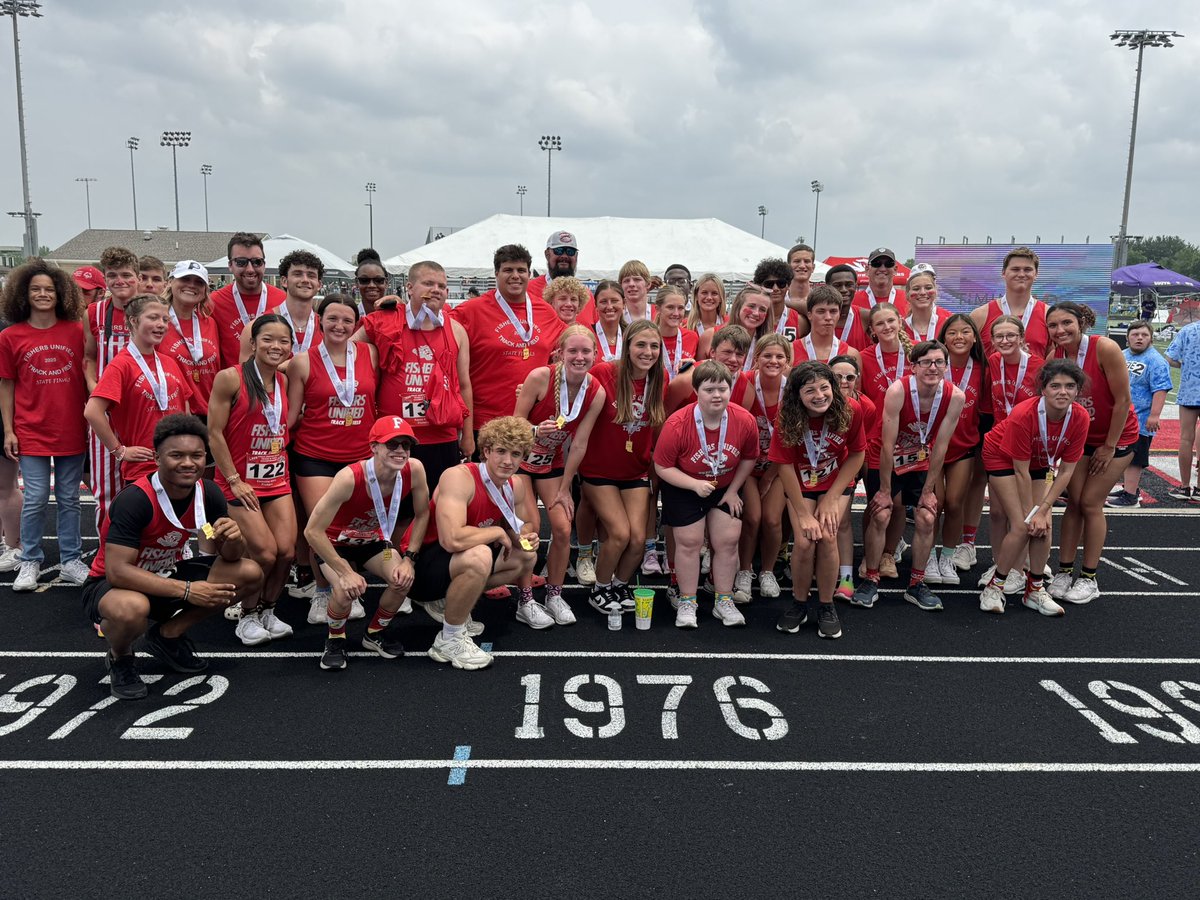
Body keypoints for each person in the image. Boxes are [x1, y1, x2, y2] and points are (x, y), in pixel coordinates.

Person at [82, 414, 262, 700]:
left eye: (196, 455)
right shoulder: (136, 500)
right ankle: (121, 657)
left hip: (164, 574)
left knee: (249, 573)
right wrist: (188, 590)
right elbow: (118, 572)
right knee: (131, 608)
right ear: (157, 458)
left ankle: (167, 635)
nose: (188, 463)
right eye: (176, 455)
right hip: (114, 585)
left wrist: (234, 539)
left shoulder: (209, 493)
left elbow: (229, 556)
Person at [408, 416, 541, 670]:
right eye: (501, 451)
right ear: (486, 451)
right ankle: (449, 639)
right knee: (480, 554)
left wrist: (526, 537)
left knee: (526, 557)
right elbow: (451, 539)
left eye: (516, 454)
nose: (508, 461)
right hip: (419, 567)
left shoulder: (516, 485)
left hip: (453, 563)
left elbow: (521, 526)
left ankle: (452, 603)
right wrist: (496, 532)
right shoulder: (459, 477)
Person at [303, 416, 430, 670]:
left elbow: (424, 512)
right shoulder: (349, 478)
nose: (400, 451)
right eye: (392, 444)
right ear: (374, 447)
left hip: (373, 542)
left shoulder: (414, 469)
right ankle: (335, 639)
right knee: (344, 589)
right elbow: (312, 532)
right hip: (335, 543)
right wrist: (344, 571)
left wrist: (409, 559)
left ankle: (373, 634)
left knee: (402, 580)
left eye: (405, 445)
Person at [851, 340, 966, 611]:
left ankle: (916, 584)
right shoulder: (898, 390)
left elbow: (942, 445)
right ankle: (871, 578)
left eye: (939, 362)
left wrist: (929, 490)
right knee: (881, 512)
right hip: (887, 456)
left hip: (921, 459)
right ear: (913, 366)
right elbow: (888, 443)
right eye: (926, 362)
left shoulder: (956, 396)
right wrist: (884, 490)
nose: (932, 368)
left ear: (946, 366)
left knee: (927, 515)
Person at [287, 295, 379, 623]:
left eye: (346, 320)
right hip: (315, 455)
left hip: (360, 456)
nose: (339, 326)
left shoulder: (369, 354)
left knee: (350, 527)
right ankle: (324, 591)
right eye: (332, 319)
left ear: (356, 324)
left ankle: (347, 583)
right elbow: (290, 416)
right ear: (320, 321)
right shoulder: (302, 361)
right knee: (322, 527)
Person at [207, 314, 297, 644]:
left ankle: (267, 611)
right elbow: (214, 433)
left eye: (283, 340)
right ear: (253, 343)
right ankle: (246, 617)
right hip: (239, 482)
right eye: (268, 339)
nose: (276, 346)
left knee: (287, 552)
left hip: (276, 478)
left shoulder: (285, 381)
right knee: (265, 553)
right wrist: (233, 479)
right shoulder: (230, 379)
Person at [0, 260, 89, 589]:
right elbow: (6, 384)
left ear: (60, 294)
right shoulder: (10, 336)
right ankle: (30, 559)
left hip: (71, 428)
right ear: (24, 293)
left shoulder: (78, 331)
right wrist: (9, 429)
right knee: (36, 497)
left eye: (49, 289)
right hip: (31, 430)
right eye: (35, 289)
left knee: (69, 499)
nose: (42, 294)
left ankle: (70, 559)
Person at [979, 361, 1090, 615]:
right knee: (1023, 525)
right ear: (1043, 389)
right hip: (1001, 456)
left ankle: (1035, 589)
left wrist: (1044, 510)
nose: (1063, 392)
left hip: (1040, 462)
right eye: (1055, 386)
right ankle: (994, 587)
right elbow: (1020, 470)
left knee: (1044, 525)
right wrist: (1033, 512)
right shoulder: (1023, 414)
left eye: (1070, 386)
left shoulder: (1080, 417)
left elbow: (1067, 470)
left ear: (1077, 390)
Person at [1046, 302, 1140, 604]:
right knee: (1073, 502)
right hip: (1081, 439)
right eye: (1053, 325)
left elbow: (1123, 399)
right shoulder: (1054, 357)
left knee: (1089, 502)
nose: (1060, 330)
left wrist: (1109, 445)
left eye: (1066, 323)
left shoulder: (1105, 348)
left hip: (1117, 437)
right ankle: (1063, 571)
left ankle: (1089, 577)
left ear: (1081, 322)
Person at [654, 361, 759, 628]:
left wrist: (735, 489)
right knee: (689, 542)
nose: (716, 395)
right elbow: (662, 466)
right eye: (709, 389)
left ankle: (724, 600)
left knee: (727, 540)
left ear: (730, 389)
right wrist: (692, 484)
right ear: (696, 391)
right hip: (684, 486)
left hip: (724, 487)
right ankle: (688, 601)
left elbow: (749, 457)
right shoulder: (677, 423)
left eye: (722, 388)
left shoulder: (744, 420)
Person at [514, 324, 606, 626]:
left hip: (551, 464)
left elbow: (580, 443)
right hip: (519, 461)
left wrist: (566, 488)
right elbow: (514, 424)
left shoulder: (596, 390)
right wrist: (533, 429)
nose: (579, 357)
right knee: (531, 527)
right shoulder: (540, 377)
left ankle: (554, 594)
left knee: (563, 528)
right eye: (573, 351)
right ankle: (525, 600)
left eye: (585, 351)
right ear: (560, 353)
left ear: (595, 354)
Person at [770, 361, 867, 638]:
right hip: (799, 483)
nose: (819, 395)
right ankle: (799, 603)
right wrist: (802, 513)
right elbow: (784, 466)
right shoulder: (786, 415)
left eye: (825, 387)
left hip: (835, 481)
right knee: (803, 540)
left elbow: (858, 454)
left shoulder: (850, 409)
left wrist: (832, 497)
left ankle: (826, 605)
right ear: (797, 395)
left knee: (827, 535)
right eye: (810, 390)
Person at [359, 260, 473, 487]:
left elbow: (464, 384)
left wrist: (468, 436)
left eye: (441, 286)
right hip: (395, 436)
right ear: (410, 288)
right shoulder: (385, 320)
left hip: (442, 434)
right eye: (428, 283)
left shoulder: (456, 330)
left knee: (440, 505)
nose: (436, 290)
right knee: (397, 508)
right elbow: (347, 352)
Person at [579, 320, 667, 613]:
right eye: (641, 344)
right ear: (627, 346)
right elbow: (572, 393)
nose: (648, 351)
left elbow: (656, 428)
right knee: (619, 533)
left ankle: (618, 585)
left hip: (635, 471)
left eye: (654, 345)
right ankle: (600, 589)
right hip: (598, 471)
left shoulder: (659, 377)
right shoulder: (605, 372)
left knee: (639, 540)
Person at [85, 294, 195, 488]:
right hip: (143, 468)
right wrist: (119, 451)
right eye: (153, 318)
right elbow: (92, 411)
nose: (161, 324)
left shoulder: (168, 362)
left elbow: (184, 407)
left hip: (179, 464)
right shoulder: (121, 365)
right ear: (133, 321)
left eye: (165, 319)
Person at [451, 244, 563, 435]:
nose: (515, 275)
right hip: (486, 423)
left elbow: (572, 340)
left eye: (521, 270)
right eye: (508, 270)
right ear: (496, 273)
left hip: (532, 423)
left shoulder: (545, 311)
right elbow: (434, 325)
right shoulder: (471, 311)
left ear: (529, 274)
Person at [924, 313, 989, 586]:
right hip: (932, 447)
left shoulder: (984, 368)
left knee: (954, 503)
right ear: (943, 337)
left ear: (975, 337)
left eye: (965, 332)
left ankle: (947, 557)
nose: (959, 337)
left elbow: (986, 411)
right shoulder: (934, 365)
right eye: (952, 332)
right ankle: (926, 555)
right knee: (932, 504)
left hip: (963, 447)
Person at [83, 246, 142, 531]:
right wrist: (96, 388)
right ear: (105, 279)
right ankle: (107, 557)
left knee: (150, 483)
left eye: (127, 275)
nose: (120, 281)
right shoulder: (94, 313)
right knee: (106, 490)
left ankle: (157, 552)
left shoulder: (152, 309)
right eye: (113, 275)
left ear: (138, 277)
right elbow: (89, 357)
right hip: (106, 408)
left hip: (142, 408)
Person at [733, 334, 792, 601]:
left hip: (778, 466)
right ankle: (744, 570)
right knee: (753, 518)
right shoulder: (745, 382)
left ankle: (767, 571)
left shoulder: (792, 388)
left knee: (771, 519)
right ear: (756, 359)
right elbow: (737, 429)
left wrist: (770, 475)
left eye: (780, 356)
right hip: (747, 464)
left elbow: (792, 439)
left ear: (788, 361)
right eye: (767, 355)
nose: (773, 361)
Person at [858, 302, 914, 578]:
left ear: (900, 321)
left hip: (909, 440)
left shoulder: (916, 353)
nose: (887, 327)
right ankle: (871, 554)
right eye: (880, 323)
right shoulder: (864, 358)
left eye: (891, 321)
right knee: (877, 501)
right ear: (872, 329)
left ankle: (889, 554)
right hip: (875, 439)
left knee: (900, 502)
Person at [1109, 320, 1173, 507]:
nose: (1139, 338)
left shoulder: (1156, 361)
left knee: (1135, 458)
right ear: (1127, 338)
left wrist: (1154, 415)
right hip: (1121, 416)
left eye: (1144, 335)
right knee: (1121, 455)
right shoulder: (1121, 355)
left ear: (1151, 339)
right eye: (1135, 334)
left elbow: (1160, 389)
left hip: (1141, 419)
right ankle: (1130, 488)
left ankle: (1130, 496)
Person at [829, 354, 876, 599]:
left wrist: (854, 475)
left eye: (850, 377)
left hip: (851, 463)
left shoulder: (866, 407)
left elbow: (862, 449)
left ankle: (846, 578)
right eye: (837, 377)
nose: (844, 381)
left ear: (857, 380)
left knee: (842, 521)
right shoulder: (816, 400)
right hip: (819, 466)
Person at [209, 232, 286, 367]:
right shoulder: (213, 302)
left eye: (257, 262)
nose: (250, 269)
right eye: (241, 262)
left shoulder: (283, 300)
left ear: (264, 264)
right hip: (233, 385)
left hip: (275, 385)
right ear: (230, 265)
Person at [161, 261, 221, 419]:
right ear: (170, 282)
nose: (192, 285)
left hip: (210, 414)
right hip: (173, 413)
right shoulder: (158, 322)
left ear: (205, 290)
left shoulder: (210, 323)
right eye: (185, 279)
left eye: (199, 282)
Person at [241, 250, 323, 361]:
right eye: (297, 274)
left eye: (311, 275)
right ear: (284, 281)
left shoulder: (326, 329)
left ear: (319, 285)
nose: (305, 280)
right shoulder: (253, 328)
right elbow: (246, 375)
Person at [971, 247, 1050, 358]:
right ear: (1003, 273)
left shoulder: (1048, 315)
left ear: (1036, 274)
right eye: (1015, 269)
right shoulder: (980, 316)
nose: (1021, 274)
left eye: (1027, 269)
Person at [696, 285, 774, 370]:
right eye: (751, 306)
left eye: (762, 309)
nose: (756, 313)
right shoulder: (710, 335)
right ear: (738, 307)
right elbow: (697, 374)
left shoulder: (770, 344)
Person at [1165, 317, 1200, 500]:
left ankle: (1185, 487)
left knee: (1186, 439)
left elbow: (1170, 357)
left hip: (1190, 391)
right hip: (1190, 391)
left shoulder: (1188, 330)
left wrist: (1184, 365)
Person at [792, 285, 860, 364]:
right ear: (809, 315)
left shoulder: (851, 355)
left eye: (833, 311)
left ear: (839, 314)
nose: (828, 317)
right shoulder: (790, 351)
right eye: (821, 311)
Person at [528, 231, 592, 306]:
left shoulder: (587, 296)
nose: (564, 256)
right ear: (547, 254)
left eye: (570, 251)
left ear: (576, 256)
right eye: (558, 250)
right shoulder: (529, 291)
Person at [654, 284, 699, 381]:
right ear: (658, 309)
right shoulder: (648, 337)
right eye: (670, 307)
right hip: (655, 394)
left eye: (680, 308)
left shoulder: (692, 337)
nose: (676, 313)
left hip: (683, 395)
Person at [825, 264, 872, 351]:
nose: (844, 290)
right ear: (827, 287)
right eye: (837, 285)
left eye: (849, 284)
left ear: (856, 286)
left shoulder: (865, 316)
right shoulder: (816, 315)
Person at [755, 257, 804, 340]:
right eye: (769, 284)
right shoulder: (754, 318)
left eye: (781, 283)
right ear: (761, 287)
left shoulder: (800, 321)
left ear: (788, 286)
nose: (775, 288)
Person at [853, 247, 909, 315]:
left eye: (888, 264)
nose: (882, 269)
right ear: (867, 270)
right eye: (876, 263)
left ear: (895, 270)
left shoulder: (908, 299)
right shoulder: (853, 300)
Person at [902, 267, 950, 344]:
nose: (922, 292)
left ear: (936, 291)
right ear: (907, 295)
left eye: (928, 288)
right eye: (916, 289)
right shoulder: (900, 327)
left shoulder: (948, 324)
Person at [589, 280, 627, 365]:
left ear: (624, 303)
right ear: (596, 306)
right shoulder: (586, 335)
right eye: (603, 302)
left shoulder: (632, 336)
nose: (609, 306)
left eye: (614, 301)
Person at [351, 249, 391, 316]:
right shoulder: (351, 317)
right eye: (364, 280)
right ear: (356, 282)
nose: (371, 285)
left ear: (386, 283)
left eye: (378, 280)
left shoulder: (399, 315)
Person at [784, 244, 816, 314]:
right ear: (788, 267)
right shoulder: (779, 295)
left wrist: (782, 303)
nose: (802, 266)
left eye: (807, 261)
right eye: (797, 261)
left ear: (813, 267)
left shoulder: (820, 298)